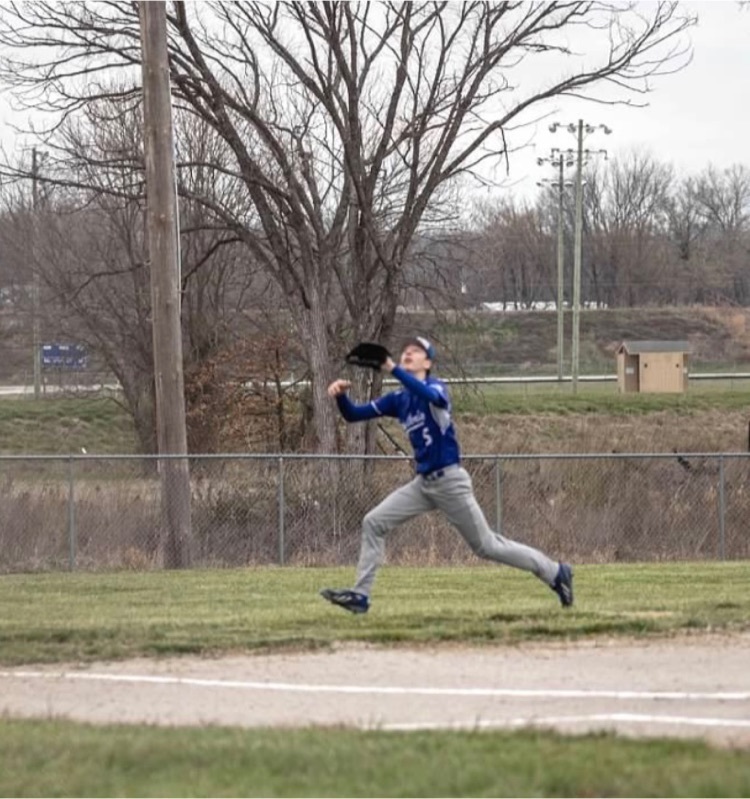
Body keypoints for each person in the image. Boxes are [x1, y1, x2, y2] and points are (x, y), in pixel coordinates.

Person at [320, 336, 573, 614]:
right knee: (374, 522)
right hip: (423, 485)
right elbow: (354, 415)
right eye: (405, 351)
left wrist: (392, 368)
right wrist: (341, 396)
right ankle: (360, 596)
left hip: (450, 482)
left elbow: (431, 397)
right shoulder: (399, 399)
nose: (408, 354)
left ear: (427, 362)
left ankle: (555, 572)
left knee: (487, 546)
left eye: (416, 352)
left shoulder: (435, 388)